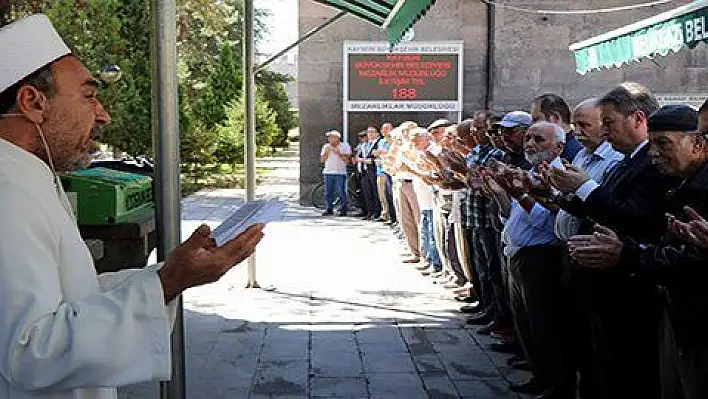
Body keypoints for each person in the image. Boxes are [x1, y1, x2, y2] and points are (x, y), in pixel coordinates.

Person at [0, 14, 264, 398]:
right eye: (89, 96)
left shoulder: (27, 173)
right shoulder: (8, 191)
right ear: (32, 102)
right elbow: (31, 352)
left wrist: (172, 273)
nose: (103, 113)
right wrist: (170, 281)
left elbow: (76, 296)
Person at [569, 104, 708, 399]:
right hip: (676, 312)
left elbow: (681, 254)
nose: (654, 153)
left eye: (662, 144)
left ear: (696, 142)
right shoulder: (681, 183)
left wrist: (628, 254)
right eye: (653, 144)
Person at [319, 129, 352, 216]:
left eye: (331, 137)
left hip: (340, 172)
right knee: (328, 192)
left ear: (337, 138)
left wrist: (339, 153)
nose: (329, 139)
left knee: (341, 191)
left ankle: (343, 209)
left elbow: (348, 160)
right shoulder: (326, 146)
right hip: (328, 172)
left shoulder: (345, 146)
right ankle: (329, 209)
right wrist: (327, 152)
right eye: (328, 137)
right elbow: (322, 160)